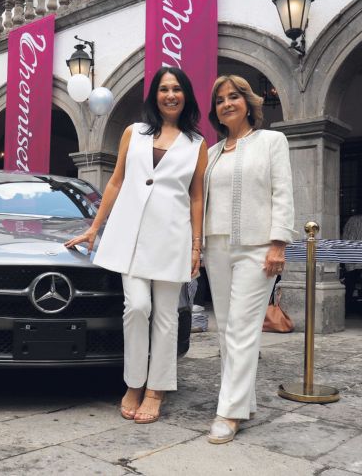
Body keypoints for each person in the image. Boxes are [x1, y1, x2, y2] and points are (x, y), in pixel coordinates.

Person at [65, 66, 208, 424]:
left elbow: (196, 198)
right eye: (164, 89)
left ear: (186, 95)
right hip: (130, 237)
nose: (170, 95)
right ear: (154, 96)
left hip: (172, 238)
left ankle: (156, 389)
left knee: (165, 316)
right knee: (137, 307)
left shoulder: (197, 144)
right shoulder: (134, 133)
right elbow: (115, 182)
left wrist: (195, 246)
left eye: (177, 89)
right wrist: (95, 228)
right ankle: (134, 382)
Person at [201, 75, 296, 444]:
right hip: (217, 248)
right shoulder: (209, 154)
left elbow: (282, 192)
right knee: (225, 330)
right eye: (221, 99)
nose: (227, 103)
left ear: (248, 101)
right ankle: (244, 400)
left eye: (234, 97)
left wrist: (278, 243)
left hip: (257, 248)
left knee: (242, 329)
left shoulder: (272, 141)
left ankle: (229, 411)